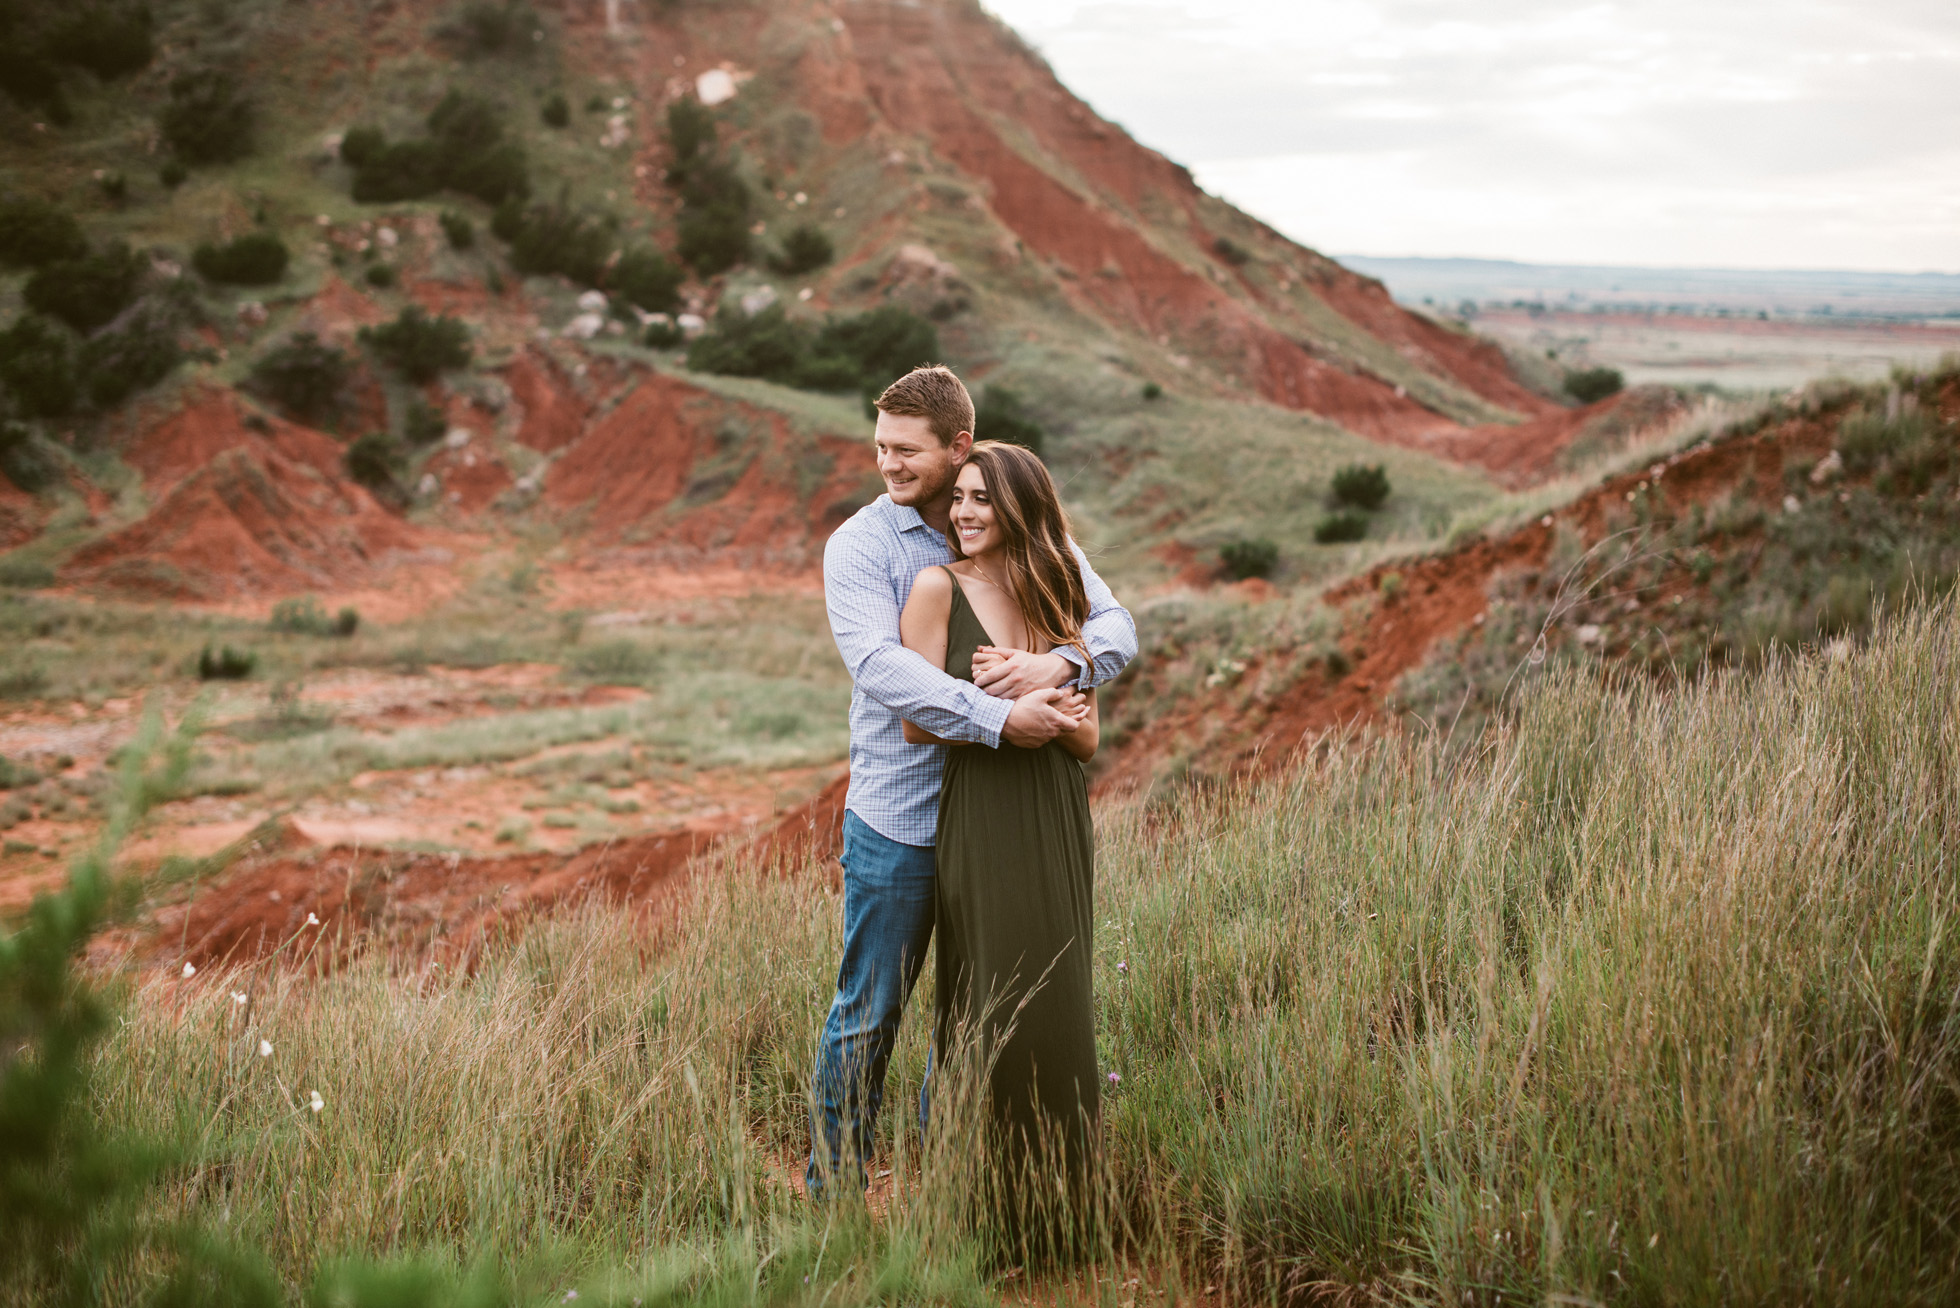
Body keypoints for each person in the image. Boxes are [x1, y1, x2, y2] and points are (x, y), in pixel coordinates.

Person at [809, 366, 1135, 1201]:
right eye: (880, 446)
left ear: (959, 447)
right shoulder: (862, 546)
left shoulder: (1023, 534)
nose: (887, 465)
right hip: (903, 819)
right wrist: (1000, 718)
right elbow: (880, 667)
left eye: (906, 450)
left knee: (971, 1011)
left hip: (996, 822)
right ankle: (834, 1194)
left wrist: (1053, 663)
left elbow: (1114, 626)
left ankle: (943, 1178)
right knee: (871, 1012)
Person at [899, 440, 1103, 1232]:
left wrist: (1036, 680)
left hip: (1055, 811)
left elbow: (1088, 744)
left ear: (1019, 505)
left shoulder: (1055, 587)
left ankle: (1066, 1212)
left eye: (983, 498)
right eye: (961, 498)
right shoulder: (935, 588)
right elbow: (918, 722)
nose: (965, 512)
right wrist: (1005, 716)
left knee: (1060, 1000)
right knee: (990, 999)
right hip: (981, 810)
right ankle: (979, 1214)